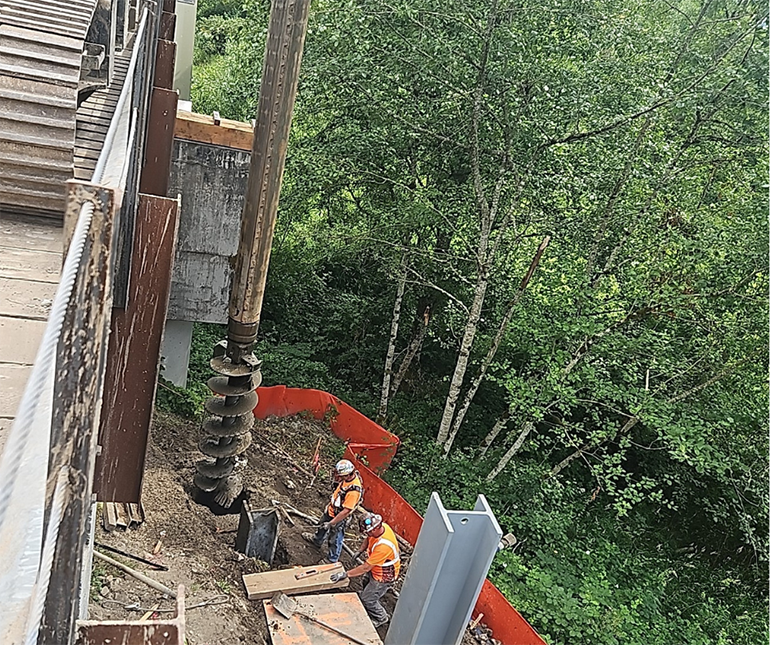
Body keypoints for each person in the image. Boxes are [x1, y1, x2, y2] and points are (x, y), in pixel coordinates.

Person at [329, 512, 400, 628]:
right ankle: (368, 596)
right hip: (376, 568)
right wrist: (360, 550)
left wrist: (345, 574)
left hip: (383, 577)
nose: (368, 534)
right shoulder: (380, 528)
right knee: (366, 582)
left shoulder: (384, 546)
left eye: (368, 532)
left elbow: (365, 567)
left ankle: (381, 617)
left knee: (368, 599)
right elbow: (368, 538)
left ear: (375, 528)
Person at [302, 459, 364, 563]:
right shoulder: (347, 480)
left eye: (342, 476)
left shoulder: (353, 491)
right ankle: (317, 540)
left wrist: (332, 523)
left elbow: (346, 511)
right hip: (332, 510)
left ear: (348, 474)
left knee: (335, 538)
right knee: (321, 525)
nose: (340, 478)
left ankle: (332, 559)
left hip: (339, 516)